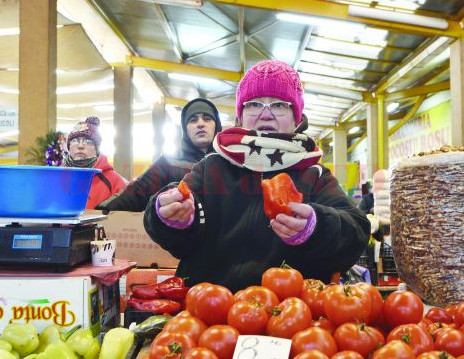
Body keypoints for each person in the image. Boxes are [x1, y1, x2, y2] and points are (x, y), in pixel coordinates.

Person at [143, 60, 370, 292]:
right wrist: (169, 216)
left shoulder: (314, 174)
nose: (266, 114)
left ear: (297, 118)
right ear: (240, 117)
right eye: (254, 104)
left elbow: (357, 232)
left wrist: (316, 227)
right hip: (206, 312)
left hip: (287, 315)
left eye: (280, 105)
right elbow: (176, 239)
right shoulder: (212, 167)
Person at [96, 98, 222, 212]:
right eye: (193, 120)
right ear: (185, 128)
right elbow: (136, 192)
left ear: (216, 125)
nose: (200, 124)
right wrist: (100, 210)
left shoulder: (229, 161)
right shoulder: (170, 162)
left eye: (207, 118)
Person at [63, 116, 128, 209]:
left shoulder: (114, 181)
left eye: (87, 141)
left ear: (96, 149)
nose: (80, 145)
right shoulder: (56, 176)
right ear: (69, 147)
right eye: (75, 141)